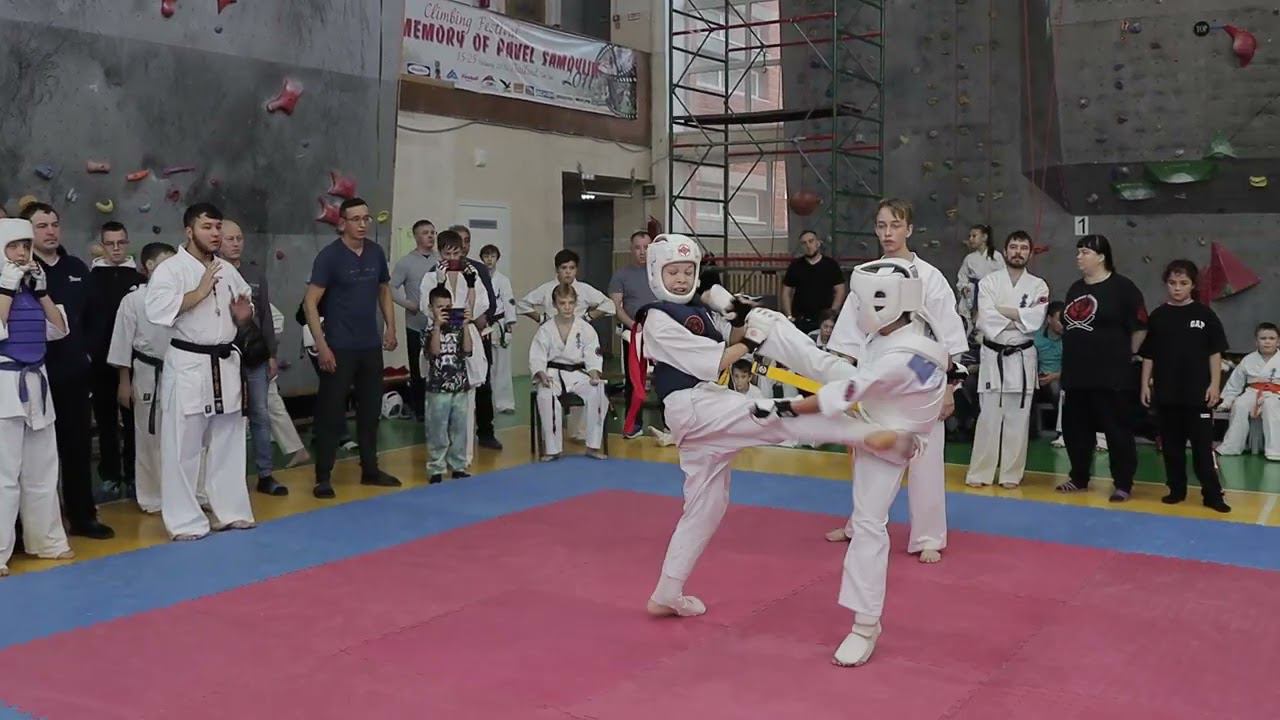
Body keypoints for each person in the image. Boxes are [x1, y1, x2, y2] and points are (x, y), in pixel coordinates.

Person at [635, 235, 920, 630]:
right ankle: (864, 434)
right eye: (673, 272)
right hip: (694, 406)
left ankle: (667, 592)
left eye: (687, 271)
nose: (681, 279)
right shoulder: (655, 319)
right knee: (772, 415)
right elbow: (717, 361)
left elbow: (730, 341)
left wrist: (739, 317)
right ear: (655, 274)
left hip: (703, 414)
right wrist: (753, 337)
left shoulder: (696, 309)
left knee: (706, 507)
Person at [747, 257, 950, 667]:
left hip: (893, 436)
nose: (857, 309)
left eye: (864, 302)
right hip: (877, 407)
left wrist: (779, 408)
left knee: (870, 523)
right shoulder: (894, 332)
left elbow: (839, 396)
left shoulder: (906, 354)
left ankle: (865, 625)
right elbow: (845, 375)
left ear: (891, 302)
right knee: (826, 364)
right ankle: (766, 326)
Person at [825, 198, 967, 563]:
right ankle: (859, 525)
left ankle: (929, 537)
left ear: (909, 229)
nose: (888, 233)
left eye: (895, 225)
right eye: (882, 226)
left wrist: (950, 389)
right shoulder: (866, 276)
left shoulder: (930, 278)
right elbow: (848, 339)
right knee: (867, 458)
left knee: (926, 461)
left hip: (922, 380)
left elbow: (949, 338)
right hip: (876, 380)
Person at [144, 203, 257, 540]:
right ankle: (185, 521)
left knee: (228, 442)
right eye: (207, 227)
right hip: (189, 363)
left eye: (218, 227)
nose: (215, 233)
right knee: (183, 447)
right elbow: (157, 311)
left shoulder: (227, 269)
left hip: (225, 362)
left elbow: (244, 307)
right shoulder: (171, 270)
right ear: (189, 231)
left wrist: (243, 314)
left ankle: (231, 511)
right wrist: (199, 292)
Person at [21, 203, 113, 539]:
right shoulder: (19, 271)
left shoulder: (75, 267)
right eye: (41, 225)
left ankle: (83, 515)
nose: (50, 231)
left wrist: (87, 352)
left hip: (73, 372)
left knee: (76, 447)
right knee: (33, 456)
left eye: (54, 224)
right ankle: (28, 525)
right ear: (27, 232)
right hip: (33, 373)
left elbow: (95, 316)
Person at [304, 197, 401, 499]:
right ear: (342, 223)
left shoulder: (375, 252)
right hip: (339, 346)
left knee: (370, 411)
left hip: (369, 345)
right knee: (331, 413)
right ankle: (323, 477)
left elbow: (383, 290)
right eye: (356, 219)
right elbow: (310, 303)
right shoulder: (329, 257)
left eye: (366, 218)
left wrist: (391, 327)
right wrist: (322, 345)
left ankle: (370, 469)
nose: (362, 224)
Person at [0, 218, 75, 576]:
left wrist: (42, 293)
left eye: (25, 246)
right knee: (4, 474)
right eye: (13, 246)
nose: (21, 253)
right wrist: (5, 289)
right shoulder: (5, 288)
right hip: (5, 382)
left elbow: (59, 330)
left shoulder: (31, 289)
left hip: (36, 383)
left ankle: (46, 540)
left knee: (43, 469)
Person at [1056, 234, 1147, 501]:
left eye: (1085, 252)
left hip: (1111, 375)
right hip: (1076, 374)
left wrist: (1126, 354)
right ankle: (1079, 477)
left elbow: (1140, 327)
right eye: (1078, 252)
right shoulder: (1075, 288)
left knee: (1116, 430)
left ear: (1101, 257)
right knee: (1075, 429)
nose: (1079, 257)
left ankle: (1123, 483)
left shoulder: (1123, 288)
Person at [1138, 260, 1230, 512]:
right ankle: (1176, 489)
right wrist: (1144, 384)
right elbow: (1149, 355)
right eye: (1172, 283)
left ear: (1192, 285)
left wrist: (1214, 385)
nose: (1177, 288)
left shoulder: (1205, 315)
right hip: (1167, 393)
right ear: (1166, 284)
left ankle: (1212, 494)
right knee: (1171, 447)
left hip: (1197, 394)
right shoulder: (1158, 316)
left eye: (1183, 283)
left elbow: (1215, 352)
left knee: (1202, 449)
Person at [964, 231, 1049, 489]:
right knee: (988, 418)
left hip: (1022, 357)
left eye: (1023, 248)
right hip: (994, 356)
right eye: (1013, 247)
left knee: (1018, 420)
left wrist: (1003, 311)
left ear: (1030, 253)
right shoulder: (989, 282)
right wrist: (1020, 316)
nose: (1018, 252)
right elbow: (984, 318)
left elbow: (1036, 319)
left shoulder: (1039, 285)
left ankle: (1011, 475)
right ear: (1005, 251)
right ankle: (980, 473)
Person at [107, 242, 177, 515]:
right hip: (148, 372)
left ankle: (192, 493)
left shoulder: (184, 297)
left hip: (180, 372)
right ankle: (152, 497)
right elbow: (121, 343)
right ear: (149, 266)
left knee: (186, 437)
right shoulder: (133, 300)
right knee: (149, 438)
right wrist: (124, 382)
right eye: (166, 263)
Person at [219, 219, 287, 496]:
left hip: (255, 354)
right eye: (230, 239)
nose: (236, 244)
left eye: (239, 238)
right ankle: (228, 477)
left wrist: (271, 354)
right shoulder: (213, 273)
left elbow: (266, 316)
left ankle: (265, 474)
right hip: (224, 356)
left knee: (260, 412)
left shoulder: (255, 273)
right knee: (228, 417)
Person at [85, 221, 145, 493]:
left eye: (121, 242)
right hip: (100, 362)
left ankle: (134, 474)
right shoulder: (90, 279)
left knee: (134, 422)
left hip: (135, 362)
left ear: (128, 243)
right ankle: (110, 472)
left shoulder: (140, 280)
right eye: (110, 243)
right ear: (102, 245)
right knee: (106, 421)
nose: (116, 248)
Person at [530, 284, 608, 462]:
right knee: (546, 396)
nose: (567, 307)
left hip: (578, 374)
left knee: (598, 393)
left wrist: (594, 374)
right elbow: (537, 356)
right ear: (554, 305)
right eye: (562, 303)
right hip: (552, 374)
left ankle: (593, 446)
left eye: (571, 303)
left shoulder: (585, 328)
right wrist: (541, 374)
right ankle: (553, 449)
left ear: (576, 304)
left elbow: (593, 355)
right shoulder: (545, 329)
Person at [452, 224, 503, 451]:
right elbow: (436, 304)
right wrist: (460, 318)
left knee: (483, 384)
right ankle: (451, 435)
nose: (463, 245)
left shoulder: (479, 269)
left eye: (467, 240)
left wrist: (481, 318)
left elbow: (490, 302)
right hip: (451, 334)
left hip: (477, 332)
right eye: (459, 240)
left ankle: (486, 432)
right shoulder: (438, 270)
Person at [609, 231, 658, 438]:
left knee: (665, 377)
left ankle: (670, 424)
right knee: (633, 380)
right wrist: (633, 326)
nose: (642, 252)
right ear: (631, 250)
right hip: (633, 334)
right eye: (638, 247)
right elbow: (616, 307)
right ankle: (634, 424)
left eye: (646, 247)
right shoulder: (621, 275)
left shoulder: (660, 272)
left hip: (659, 333)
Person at [422, 285, 473, 484]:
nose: (444, 310)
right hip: (438, 388)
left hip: (459, 386)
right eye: (440, 307)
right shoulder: (427, 331)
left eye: (448, 307)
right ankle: (436, 467)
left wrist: (466, 325)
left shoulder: (458, 328)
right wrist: (437, 326)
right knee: (437, 430)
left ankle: (458, 465)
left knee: (460, 429)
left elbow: (467, 350)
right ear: (431, 309)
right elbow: (433, 352)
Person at [389, 219, 437, 420]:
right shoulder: (406, 262)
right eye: (426, 232)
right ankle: (420, 411)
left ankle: (437, 408)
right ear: (416, 236)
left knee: (437, 368)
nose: (430, 236)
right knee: (418, 369)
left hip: (438, 325)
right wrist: (407, 303)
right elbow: (390, 288)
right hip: (416, 325)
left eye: (433, 232)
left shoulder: (440, 259)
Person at [1219, 323, 1280, 460]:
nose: (1267, 342)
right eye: (1263, 338)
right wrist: (1227, 401)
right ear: (1256, 342)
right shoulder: (1248, 359)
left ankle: (1275, 450)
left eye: (1271, 338)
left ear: (1278, 342)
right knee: (1240, 405)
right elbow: (1235, 383)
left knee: (1271, 406)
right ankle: (1231, 446)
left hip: (1276, 394)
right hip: (1252, 391)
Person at [518, 249, 617, 322]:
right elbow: (522, 304)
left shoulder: (584, 289)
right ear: (557, 269)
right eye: (564, 268)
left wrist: (589, 316)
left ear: (576, 269)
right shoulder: (546, 288)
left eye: (572, 268)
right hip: (552, 332)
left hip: (578, 332)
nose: (568, 272)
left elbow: (609, 304)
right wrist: (540, 318)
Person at [266, 304, 310, 467]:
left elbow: (277, 318)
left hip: (255, 357)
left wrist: (267, 349)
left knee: (273, 404)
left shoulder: (249, 292)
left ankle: (298, 450)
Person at [781, 230, 847, 334]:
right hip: (800, 319)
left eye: (811, 241)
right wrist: (789, 316)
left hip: (824, 321)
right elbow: (786, 292)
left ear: (818, 243)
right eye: (804, 243)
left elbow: (840, 290)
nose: (808, 245)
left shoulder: (831, 265)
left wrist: (832, 314)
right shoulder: (795, 266)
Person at [479, 244, 517, 413]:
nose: (489, 259)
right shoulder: (478, 278)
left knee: (503, 366)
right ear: (482, 258)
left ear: (497, 259)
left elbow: (509, 302)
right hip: (483, 324)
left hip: (500, 324)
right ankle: (486, 403)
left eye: (492, 256)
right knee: (485, 365)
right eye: (486, 256)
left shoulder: (503, 280)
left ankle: (505, 403)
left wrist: (509, 327)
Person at [955, 224, 1005, 335]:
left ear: (984, 237)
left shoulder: (996, 257)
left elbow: (1003, 278)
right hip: (972, 293)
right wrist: (964, 287)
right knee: (968, 322)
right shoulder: (969, 258)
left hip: (990, 294)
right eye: (969, 236)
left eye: (974, 236)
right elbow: (962, 277)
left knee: (987, 324)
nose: (971, 239)